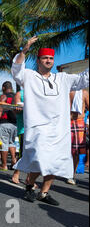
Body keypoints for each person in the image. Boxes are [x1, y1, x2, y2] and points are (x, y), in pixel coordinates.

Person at [11, 36, 89, 206]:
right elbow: (16, 70)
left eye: (51, 58)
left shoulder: (62, 78)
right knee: (40, 158)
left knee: (56, 161)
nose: (48, 60)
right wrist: (24, 50)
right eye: (45, 58)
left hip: (60, 129)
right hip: (38, 128)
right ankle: (30, 186)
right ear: (38, 60)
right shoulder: (29, 76)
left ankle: (44, 193)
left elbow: (84, 79)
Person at [0, 81, 18, 171]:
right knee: (12, 143)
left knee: (4, 144)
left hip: (4, 123)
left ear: (3, 87)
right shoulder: (16, 96)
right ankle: (13, 160)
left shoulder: (3, 96)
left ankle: (4, 165)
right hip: (15, 124)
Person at [68, 89, 89, 185]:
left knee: (76, 151)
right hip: (66, 122)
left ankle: (72, 175)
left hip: (79, 123)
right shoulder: (67, 91)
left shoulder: (84, 93)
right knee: (65, 150)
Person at [11, 89, 25, 184]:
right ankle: (16, 173)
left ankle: (30, 179)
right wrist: (18, 108)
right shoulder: (20, 93)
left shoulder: (39, 91)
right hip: (24, 128)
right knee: (23, 153)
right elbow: (15, 110)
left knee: (35, 154)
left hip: (38, 127)